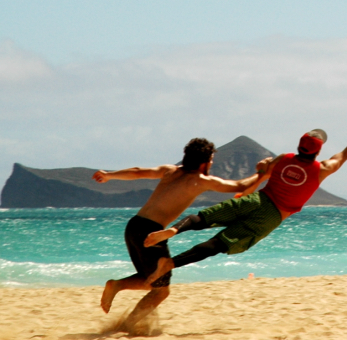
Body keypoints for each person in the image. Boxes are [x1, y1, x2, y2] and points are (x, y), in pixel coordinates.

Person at [143, 120, 347, 284]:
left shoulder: (282, 158)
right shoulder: (322, 168)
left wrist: (263, 167)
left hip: (257, 198)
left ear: (299, 146)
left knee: (205, 217)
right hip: (272, 215)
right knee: (219, 243)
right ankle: (170, 263)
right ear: (317, 151)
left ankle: (175, 230)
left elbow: (263, 169)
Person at [92, 137, 268, 332]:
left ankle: (122, 302)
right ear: (204, 162)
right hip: (152, 231)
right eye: (211, 160)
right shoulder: (200, 180)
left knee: (150, 279)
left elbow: (137, 172)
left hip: (134, 226)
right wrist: (263, 172)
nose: (211, 164)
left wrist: (110, 175)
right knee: (161, 290)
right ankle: (125, 318)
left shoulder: (169, 170)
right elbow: (240, 186)